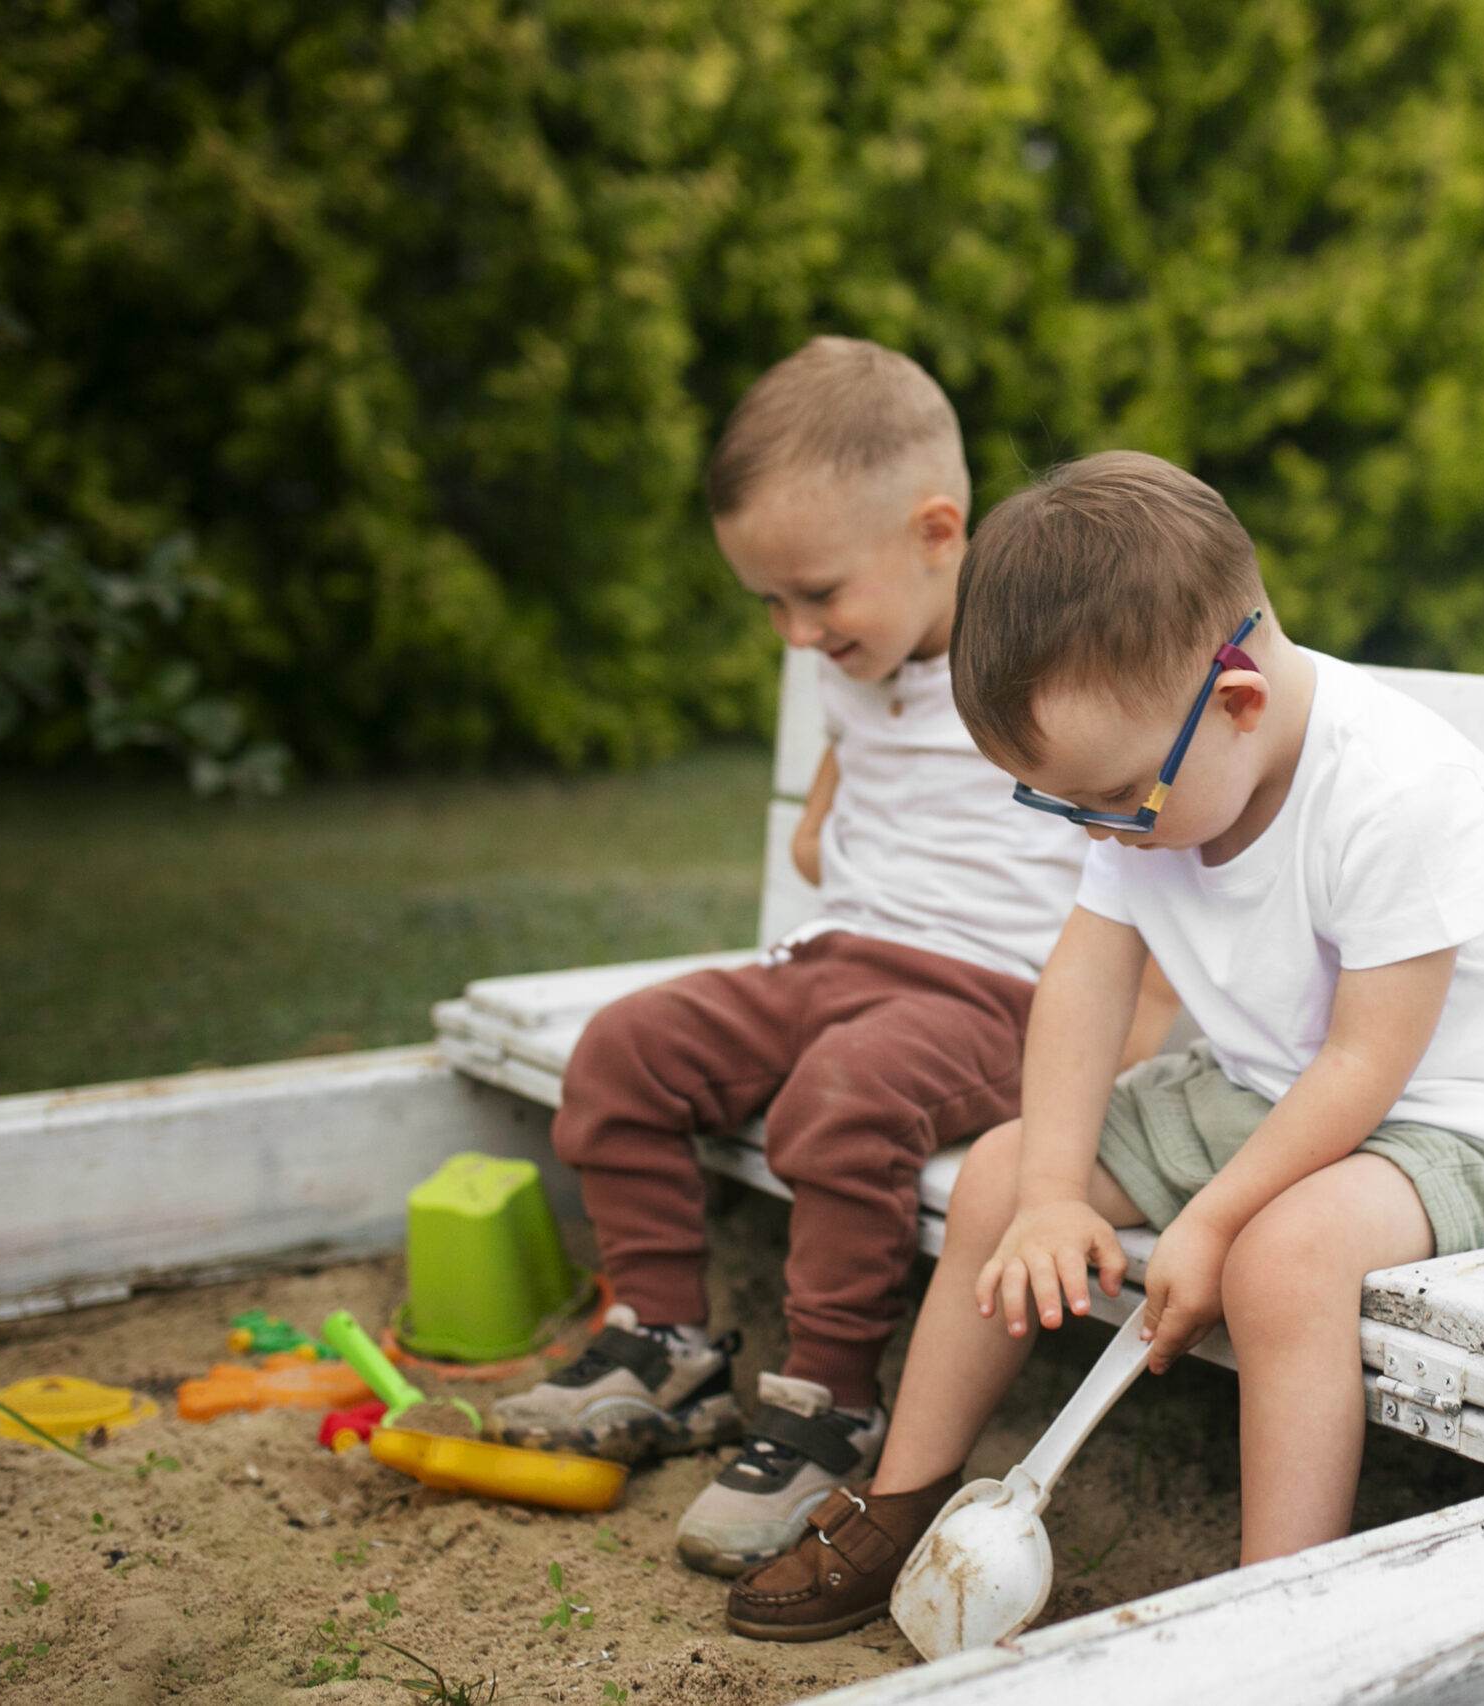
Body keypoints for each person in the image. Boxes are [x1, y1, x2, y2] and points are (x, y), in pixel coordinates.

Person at [724, 450, 1484, 1641]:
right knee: (995, 1173)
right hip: (1257, 1086)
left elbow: (1364, 1064)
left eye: (1113, 801)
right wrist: (1046, 1193)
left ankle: (1271, 1609)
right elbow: (1086, 979)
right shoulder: (1153, 771)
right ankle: (902, 1502)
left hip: (1449, 1118)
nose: (1101, 831)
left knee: (1281, 1262)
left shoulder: (1399, 790)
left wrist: (1210, 1219)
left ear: (1234, 700)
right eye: (1065, 803)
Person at [488, 342, 1176, 1578]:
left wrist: (1128, 1042)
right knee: (626, 1048)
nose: (795, 633)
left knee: (845, 1096)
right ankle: (664, 1344)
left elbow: (1154, 849)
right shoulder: (859, 649)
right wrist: (820, 813)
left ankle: (824, 1403)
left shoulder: (1049, 664)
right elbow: (865, 733)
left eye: (814, 596)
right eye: (770, 604)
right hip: (834, 955)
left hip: (986, 991)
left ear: (935, 531)